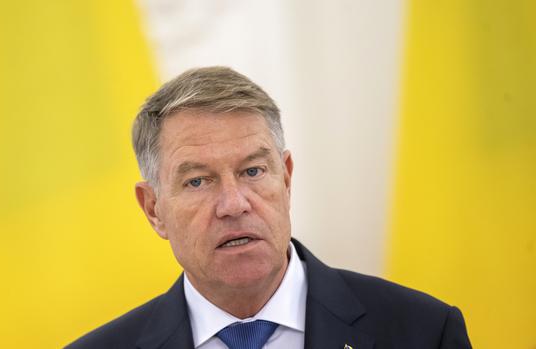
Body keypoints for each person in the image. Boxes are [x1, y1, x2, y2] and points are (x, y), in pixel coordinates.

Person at [66, 67, 472, 349]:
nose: (234, 204)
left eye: (253, 171)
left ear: (287, 177)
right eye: (197, 181)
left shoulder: (424, 333)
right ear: (153, 209)